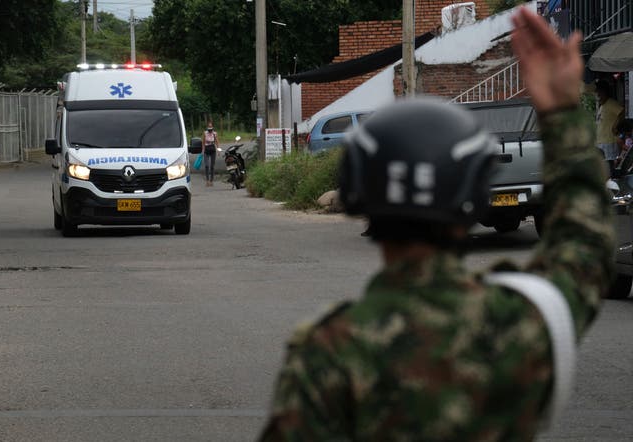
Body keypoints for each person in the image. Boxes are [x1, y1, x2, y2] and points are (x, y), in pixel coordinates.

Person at [258, 7, 614, 441]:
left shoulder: (330, 352)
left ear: (360, 199)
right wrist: (561, 113)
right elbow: (585, 248)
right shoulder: (518, 324)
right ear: (471, 197)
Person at [595, 79, 624, 175]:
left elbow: (622, 113)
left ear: (605, 92)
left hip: (609, 142)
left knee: (610, 168)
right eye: (597, 92)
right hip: (601, 142)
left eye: (599, 92)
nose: (597, 94)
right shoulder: (602, 106)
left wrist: (615, 126)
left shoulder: (611, 103)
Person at [202, 121, 219, 186]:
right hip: (206, 150)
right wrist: (202, 150)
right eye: (209, 126)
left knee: (212, 166)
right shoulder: (205, 133)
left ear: (212, 127)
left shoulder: (215, 133)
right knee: (206, 165)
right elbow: (203, 142)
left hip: (213, 150)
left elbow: (217, 142)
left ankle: (211, 180)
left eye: (211, 126)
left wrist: (218, 149)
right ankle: (207, 180)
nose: (210, 128)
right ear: (207, 127)